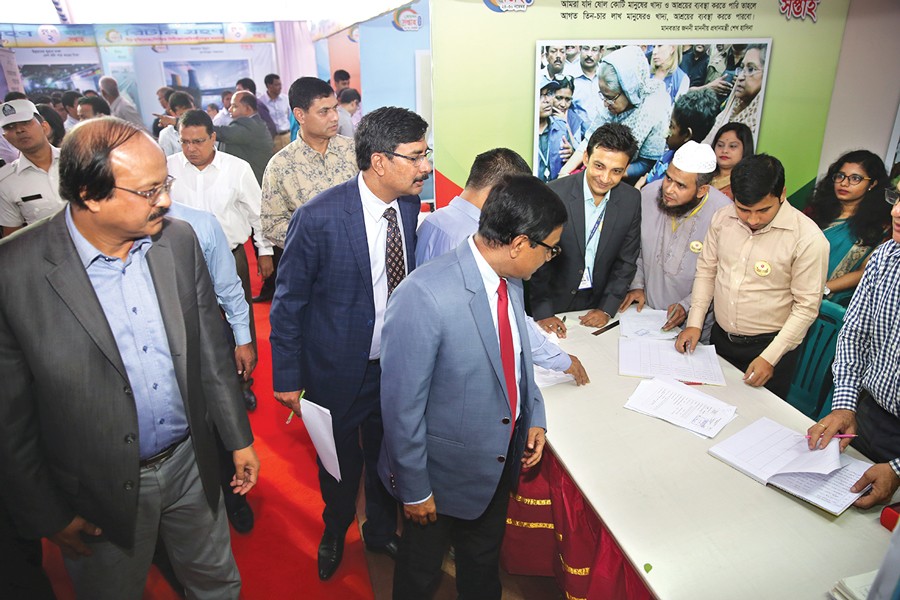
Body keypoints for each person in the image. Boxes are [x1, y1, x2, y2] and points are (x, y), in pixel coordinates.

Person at [0, 117, 258, 599]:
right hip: (94, 489)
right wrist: (47, 513)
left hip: (189, 462)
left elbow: (209, 351)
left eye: (165, 184)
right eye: (148, 191)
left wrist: (237, 439)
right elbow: (8, 418)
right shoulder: (14, 272)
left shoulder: (177, 241)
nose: (164, 200)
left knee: (217, 583)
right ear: (90, 195)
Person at [380, 173, 565, 600]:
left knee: (482, 567)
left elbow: (517, 358)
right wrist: (415, 488)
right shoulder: (423, 295)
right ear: (520, 244)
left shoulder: (511, 281)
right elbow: (400, 406)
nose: (550, 258)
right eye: (549, 249)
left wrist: (532, 415)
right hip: (437, 480)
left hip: (497, 463)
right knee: (420, 575)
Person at [270, 106, 430, 581]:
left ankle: (380, 530)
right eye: (417, 156)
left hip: (395, 366)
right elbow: (288, 301)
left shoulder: (408, 203)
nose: (426, 166)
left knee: (388, 455)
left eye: (427, 154)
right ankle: (336, 529)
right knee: (338, 465)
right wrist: (287, 378)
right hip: (336, 368)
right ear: (380, 162)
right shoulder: (318, 217)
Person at [416, 147, 589, 384]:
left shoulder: (433, 221)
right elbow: (509, 316)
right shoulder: (483, 242)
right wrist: (560, 360)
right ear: (500, 192)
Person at [675, 154, 829, 399]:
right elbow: (707, 272)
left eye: (763, 210)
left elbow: (806, 308)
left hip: (770, 349)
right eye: (744, 209)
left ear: (782, 194)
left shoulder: (808, 239)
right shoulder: (723, 218)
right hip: (720, 338)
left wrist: (771, 357)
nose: (753, 220)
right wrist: (695, 323)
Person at [167, 108, 273, 412]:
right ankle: (203, 389)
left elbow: (258, 213)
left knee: (240, 320)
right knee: (193, 325)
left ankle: (243, 385)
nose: (191, 149)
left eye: (198, 141)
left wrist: (263, 251)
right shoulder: (168, 168)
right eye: (185, 142)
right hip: (183, 260)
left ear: (214, 137)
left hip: (231, 254)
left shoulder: (236, 168)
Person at [808, 188, 900, 508]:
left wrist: (898, 469)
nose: (896, 212)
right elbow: (854, 335)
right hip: (867, 415)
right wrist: (846, 405)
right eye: (898, 199)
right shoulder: (886, 257)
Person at [530, 123, 641, 333]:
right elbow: (538, 260)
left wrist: (607, 309)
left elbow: (626, 261)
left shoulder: (631, 199)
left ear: (626, 170)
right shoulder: (554, 193)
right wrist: (543, 312)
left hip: (598, 303)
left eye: (616, 171)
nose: (606, 178)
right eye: (599, 166)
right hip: (554, 303)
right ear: (586, 158)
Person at [257, 76, 358, 303]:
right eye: (324, 112)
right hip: (313, 276)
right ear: (300, 115)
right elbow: (272, 223)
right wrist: (314, 243)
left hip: (361, 265)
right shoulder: (280, 165)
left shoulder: (354, 151)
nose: (334, 117)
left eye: (335, 108)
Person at [620, 141, 731, 342]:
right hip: (644, 316)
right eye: (668, 178)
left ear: (702, 190)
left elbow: (721, 275)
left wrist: (687, 306)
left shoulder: (724, 215)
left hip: (691, 328)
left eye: (680, 185)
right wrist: (637, 285)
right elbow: (635, 248)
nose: (669, 189)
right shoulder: (648, 195)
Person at [563, 45, 671, 181]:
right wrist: (564, 172)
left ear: (629, 91)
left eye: (610, 98)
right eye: (602, 96)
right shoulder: (609, 103)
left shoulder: (655, 108)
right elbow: (589, 140)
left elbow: (646, 163)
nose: (605, 104)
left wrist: (608, 174)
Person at [804, 150, 890, 306]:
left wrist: (821, 289)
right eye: (840, 176)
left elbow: (865, 271)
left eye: (855, 178)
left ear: (872, 184)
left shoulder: (880, 226)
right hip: (795, 290)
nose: (844, 183)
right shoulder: (815, 212)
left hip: (834, 305)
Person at [0, 99, 65, 236]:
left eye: (26, 122)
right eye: (10, 127)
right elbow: (13, 238)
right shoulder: (5, 182)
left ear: (44, 127)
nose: (19, 130)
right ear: (5, 137)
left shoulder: (76, 159)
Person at [638, 87, 719, 187]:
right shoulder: (669, 153)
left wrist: (637, 190)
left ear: (687, 135)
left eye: (672, 126)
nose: (666, 132)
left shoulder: (680, 175)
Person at [703, 44, 767, 146]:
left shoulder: (763, 128)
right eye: (741, 68)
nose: (740, 77)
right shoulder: (727, 114)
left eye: (751, 69)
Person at [214, 91, 274, 185]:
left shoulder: (250, 125)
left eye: (234, 106)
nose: (229, 109)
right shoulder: (255, 123)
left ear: (248, 109)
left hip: (252, 182)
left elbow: (223, 133)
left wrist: (199, 126)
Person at [537, 79, 573, 182]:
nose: (547, 100)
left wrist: (571, 154)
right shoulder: (524, 130)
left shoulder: (561, 127)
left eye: (549, 94)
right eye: (540, 95)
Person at [709, 121, 755, 200]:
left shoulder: (747, 184)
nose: (725, 150)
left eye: (732, 146)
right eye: (720, 145)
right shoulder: (701, 178)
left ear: (745, 149)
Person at [569, 44, 602, 128]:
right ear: (580, 49)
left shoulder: (606, 74)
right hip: (580, 137)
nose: (589, 54)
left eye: (594, 50)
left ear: (601, 52)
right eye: (586, 49)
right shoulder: (570, 77)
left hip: (608, 135)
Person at [551, 75, 587, 146]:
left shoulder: (575, 120)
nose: (563, 104)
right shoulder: (542, 115)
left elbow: (577, 150)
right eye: (559, 98)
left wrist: (566, 125)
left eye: (567, 99)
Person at [259, 73, 291, 152]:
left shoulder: (285, 98)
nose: (280, 87)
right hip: (273, 138)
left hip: (287, 136)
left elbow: (290, 116)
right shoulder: (261, 102)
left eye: (280, 84)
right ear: (269, 86)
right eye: (277, 85)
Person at [157, 91, 194, 156]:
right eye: (182, 114)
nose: (189, 118)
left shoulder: (202, 127)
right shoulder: (166, 135)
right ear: (172, 113)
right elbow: (167, 162)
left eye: (191, 113)